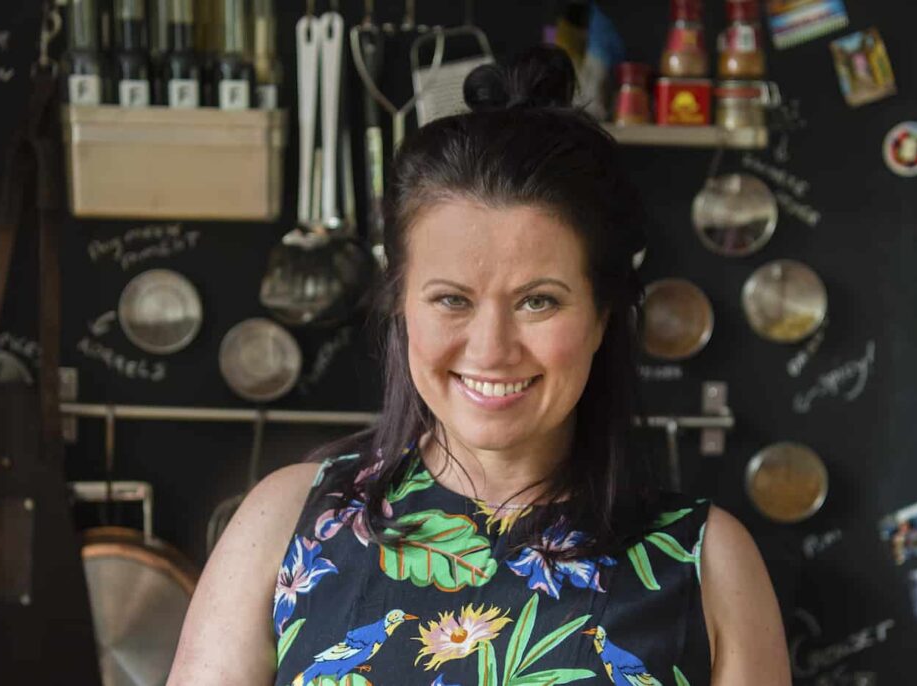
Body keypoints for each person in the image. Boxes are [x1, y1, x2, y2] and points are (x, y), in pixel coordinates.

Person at [168, 45, 790, 686]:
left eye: (538, 301)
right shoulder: (284, 523)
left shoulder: (706, 563)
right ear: (401, 305)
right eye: (451, 299)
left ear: (603, 316)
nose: (491, 348)